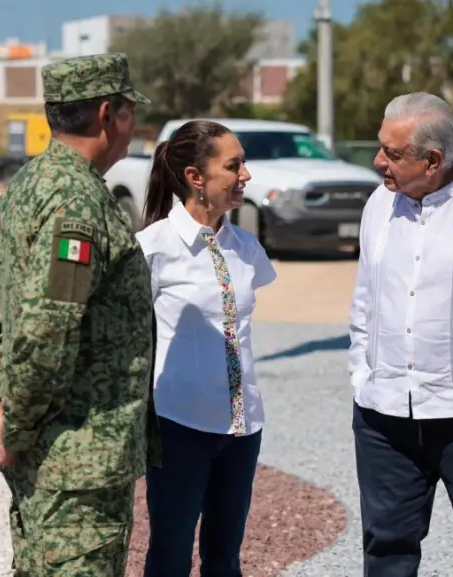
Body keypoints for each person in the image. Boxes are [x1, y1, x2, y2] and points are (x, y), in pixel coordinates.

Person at [0, 52, 159, 577]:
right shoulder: (76, 202)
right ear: (106, 115)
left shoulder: (30, 184)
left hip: (54, 450)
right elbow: (46, 330)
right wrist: (18, 429)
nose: (132, 125)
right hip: (76, 457)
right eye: (128, 111)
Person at [347, 92, 453, 577]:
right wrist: (362, 374)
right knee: (386, 547)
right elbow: (365, 297)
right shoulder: (378, 204)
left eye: (392, 154)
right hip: (384, 415)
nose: (378, 162)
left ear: (433, 160)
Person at [135, 119, 276, 577]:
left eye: (244, 164)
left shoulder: (247, 248)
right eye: (234, 166)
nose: (245, 176)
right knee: (171, 554)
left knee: (224, 558)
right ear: (196, 178)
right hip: (179, 426)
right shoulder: (151, 249)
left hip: (243, 426)